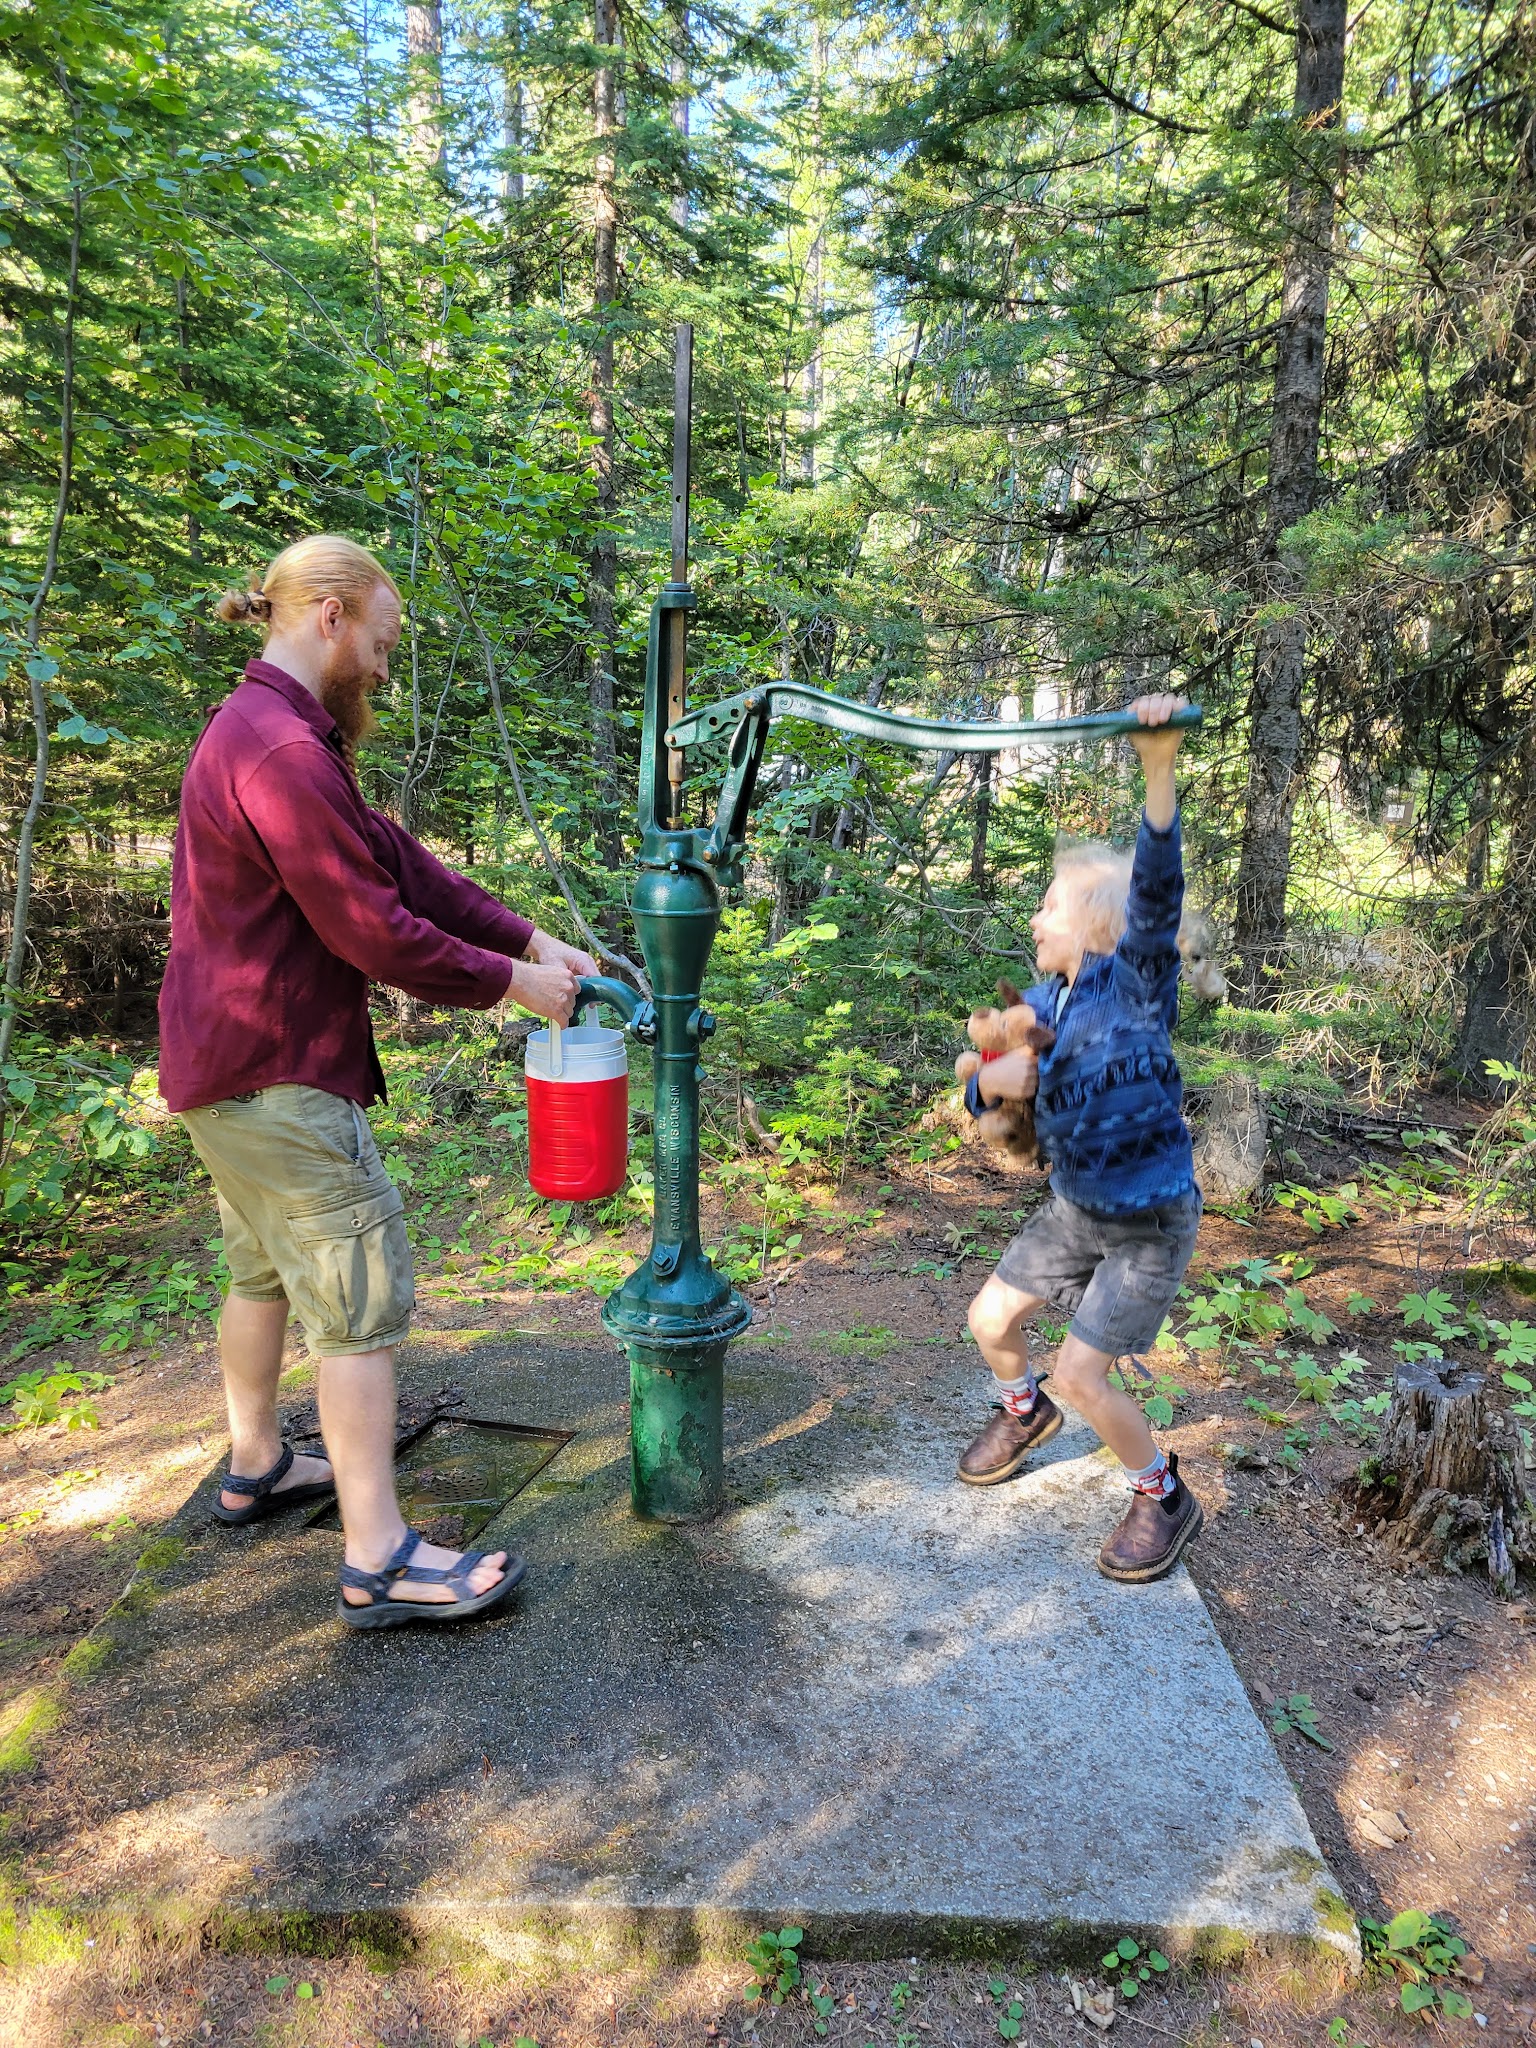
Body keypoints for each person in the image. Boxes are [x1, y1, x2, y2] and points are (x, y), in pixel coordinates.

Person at [158, 534, 597, 1629]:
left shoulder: (266, 730)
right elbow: (373, 928)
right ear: (332, 617)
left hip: (223, 1073)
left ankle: (257, 1460)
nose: (386, 668)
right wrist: (517, 986)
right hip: (277, 1074)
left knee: (262, 1270)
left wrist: (531, 936)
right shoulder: (280, 751)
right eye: (384, 643)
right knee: (357, 1303)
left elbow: (396, 862)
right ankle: (380, 1559)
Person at [957, 693, 1204, 1584]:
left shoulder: (1133, 982)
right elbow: (986, 1094)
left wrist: (1157, 766)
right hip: (1073, 1210)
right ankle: (1022, 1411)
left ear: (1098, 927)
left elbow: (1156, 891)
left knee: (1083, 1376)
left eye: (1049, 905)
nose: (1034, 919)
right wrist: (987, 1084)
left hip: (1146, 1223)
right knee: (989, 1319)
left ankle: (1162, 1494)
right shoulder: (1039, 1004)